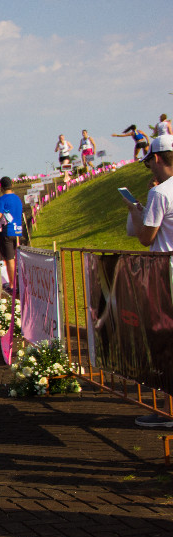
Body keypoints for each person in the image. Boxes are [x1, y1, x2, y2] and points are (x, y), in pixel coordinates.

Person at [124, 135, 173, 429]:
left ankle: (168, 412)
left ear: (156, 158)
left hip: (164, 271)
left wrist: (135, 211)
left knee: (165, 343)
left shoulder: (159, 194)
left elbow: (146, 238)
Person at [0, 176, 24, 293]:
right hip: (17, 231)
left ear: (1, 187)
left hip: (6, 232)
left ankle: (12, 285)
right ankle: (16, 283)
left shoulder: (2, 199)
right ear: (12, 185)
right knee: (15, 258)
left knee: (9, 259)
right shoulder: (17, 198)